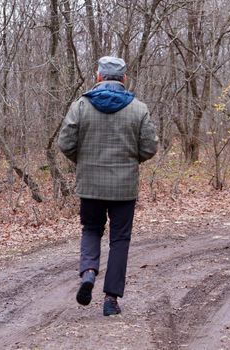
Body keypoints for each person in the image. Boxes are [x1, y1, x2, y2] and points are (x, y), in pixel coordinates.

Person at [58, 56, 158, 316]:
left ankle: (89, 272)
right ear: (123, 79)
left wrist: (84, 161)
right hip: (124, 188)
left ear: (99, 77)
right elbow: (149, 147)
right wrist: (130, 160)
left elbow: (66, 143)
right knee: (120, 240)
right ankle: (111, 300)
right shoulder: (138, 108)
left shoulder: (81, 106)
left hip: (90, 185)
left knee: (91, 229)